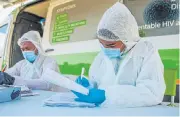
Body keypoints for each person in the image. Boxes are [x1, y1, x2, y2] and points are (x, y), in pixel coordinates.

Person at [72, 2, 166, 107]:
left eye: (111, 45)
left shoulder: (146, 51)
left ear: (127, 39)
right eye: (101, 44)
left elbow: (151, 93)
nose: (105, 49)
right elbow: (98, 84)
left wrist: (107, 96)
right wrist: (88, 86)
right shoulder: (101, 56)